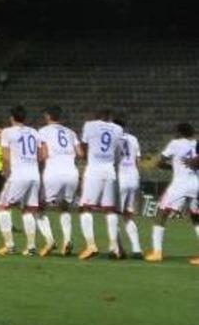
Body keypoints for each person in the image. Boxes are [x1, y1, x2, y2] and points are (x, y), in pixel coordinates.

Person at [145, 123, 198, 263]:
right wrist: (176, 165)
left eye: (176, 131)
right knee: (196, 218)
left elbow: (160, 161)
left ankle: (157, 252)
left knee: (161, 215)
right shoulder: (195, 144)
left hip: (180, 185)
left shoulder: (175, 143)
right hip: (195, 184)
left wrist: (157, 163)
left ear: (179, 132)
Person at [0, 106, 42, 256]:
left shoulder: (7, 132)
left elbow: (5, 156)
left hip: (18, 174)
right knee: (28, 210)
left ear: (11, 118)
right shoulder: (34, 132)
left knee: (3, 207)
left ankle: (9, 246)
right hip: (34, 174)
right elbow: (40, 155)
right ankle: (31, 247)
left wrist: (6, 171)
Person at [77, 109, 124, 260]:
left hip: (94, 170)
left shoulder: (90, 125)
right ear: (110, 118)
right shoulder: (118, 129)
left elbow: (84, 145)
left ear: (97, 117)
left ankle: (91, 245)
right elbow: (119, 151)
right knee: (110, 209)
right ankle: (114, 248)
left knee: (85, 207)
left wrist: (87, 156)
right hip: (109, 170)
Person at [37, 105, 82, 256]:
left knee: (38, 208)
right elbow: (80, 153)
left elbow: (44, 155)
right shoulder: (70, 132)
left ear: (47, 116)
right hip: (71, 172)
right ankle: (67, 240)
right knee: (64, 208)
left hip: (53, 172)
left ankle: (50, 240)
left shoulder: (42, 131)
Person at [113, 118, 143, 259]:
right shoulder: (133, 139)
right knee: (128, 215)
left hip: (120, 178)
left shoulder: (113, 138)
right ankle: (137, 250)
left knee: (113, 215)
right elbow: (138, 161)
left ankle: (117, 249)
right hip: (133, 178)